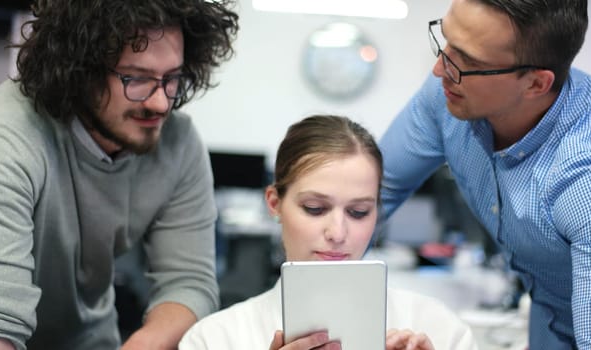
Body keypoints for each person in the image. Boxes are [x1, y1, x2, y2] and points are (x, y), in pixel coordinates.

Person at [378, 0, 591, 349]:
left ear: (536, 84)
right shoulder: (451, 96)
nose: (439, 69)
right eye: (446, 42)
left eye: (469, 61)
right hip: (547, 319)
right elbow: (367, 197)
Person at [0, 1, 239, 349]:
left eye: (171, 79)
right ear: (79, 69)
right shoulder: (5, 139)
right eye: (136, 78)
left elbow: (189, 284)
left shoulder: (178, 144)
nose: (161, 104)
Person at [178, 115, 477, 350]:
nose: (337, 232)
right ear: (275, 203)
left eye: (358, 212)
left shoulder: (441, 331)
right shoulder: (214, 340)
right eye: (315, 208)